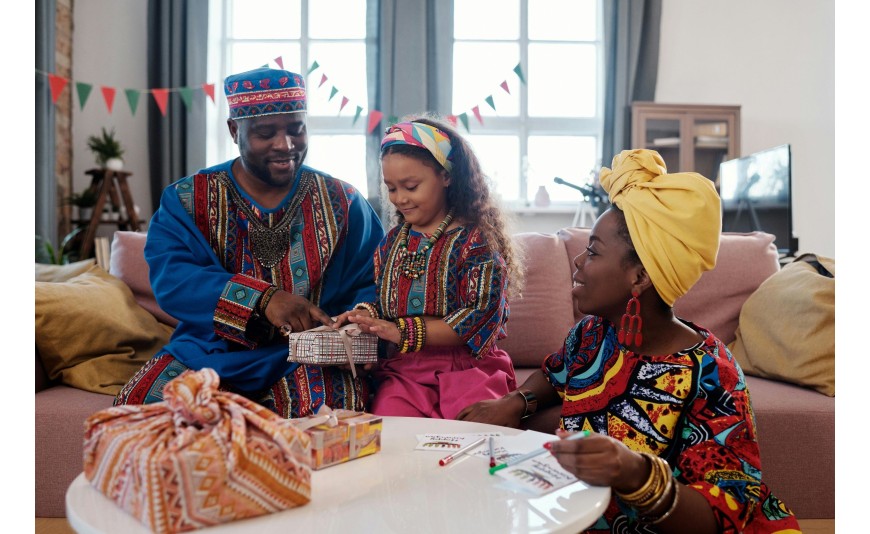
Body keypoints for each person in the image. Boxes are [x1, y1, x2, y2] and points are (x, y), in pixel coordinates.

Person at [457, 149, 800, 532]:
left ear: (639, 277)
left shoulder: (712, 375)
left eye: (593, 251)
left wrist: (635, 473)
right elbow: (555, 375)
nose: (578, 263)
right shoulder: (593, 333)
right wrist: (515, 402)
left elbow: (722, 517)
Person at [114, 67, 385, 418]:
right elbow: (174, 279)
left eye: (296, 130)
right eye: (265, 133)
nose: (285, 145)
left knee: (331, 421)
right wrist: (263, 300)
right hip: (209, 351)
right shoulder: (188, 199)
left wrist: (360, 328)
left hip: (309, 356)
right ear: (233, 130)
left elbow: (377, 279)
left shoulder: (342, 200)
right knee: (136, 415)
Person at [335, 116, 523, 419]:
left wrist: (399, 331)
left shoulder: (477, 243)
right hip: (405, 372)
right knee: (391, 429)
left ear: (447, 176)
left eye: (411, 186)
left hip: (468, 370)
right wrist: (367, 316)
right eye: (392, 188)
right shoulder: (392, 241)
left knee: (475, 438)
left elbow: (478, 316)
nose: (400, 199)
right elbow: (386, 301)